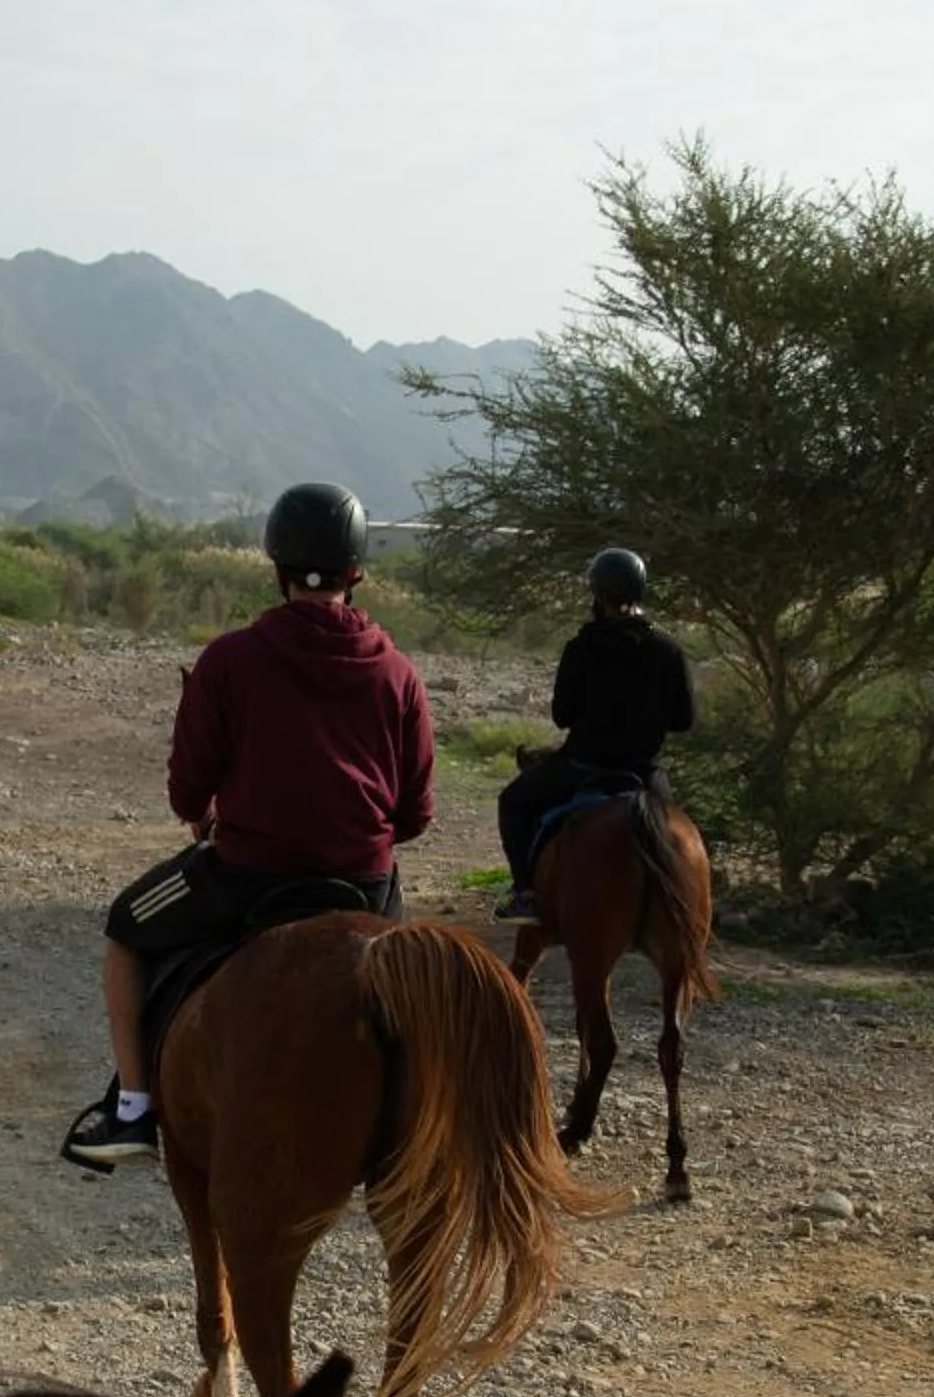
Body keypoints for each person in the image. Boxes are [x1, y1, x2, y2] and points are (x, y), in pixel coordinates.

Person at [61, 483, 435, 1170]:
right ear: (357, 571)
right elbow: (414, 814)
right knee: (417, 986)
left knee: (125, 928)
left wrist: (211, 813)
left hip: (246, 875)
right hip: (366, 883)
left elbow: (188, 789)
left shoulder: (230, 660)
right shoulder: (400, 674)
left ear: (277, 567)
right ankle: (424, 1123)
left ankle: (134, 1110)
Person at [494, 547, 695, 919]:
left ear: (597, 593)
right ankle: (689, 903)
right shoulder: (668, 649)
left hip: (583, 766)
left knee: (513, 803)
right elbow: (684, 720)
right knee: (682, 836)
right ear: (641, 590)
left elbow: (561, 716)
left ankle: (525, 893)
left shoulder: (581, 647)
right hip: (644, 774)